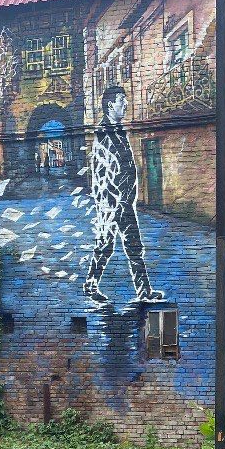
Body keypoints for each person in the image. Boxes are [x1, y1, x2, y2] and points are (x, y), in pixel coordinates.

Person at [84, 85, 164, 305]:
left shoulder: (119, 131)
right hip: (111, 203)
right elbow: (103, 173)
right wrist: (112, 203)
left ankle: (144, 291)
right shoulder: (104, 134)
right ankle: (91, 283)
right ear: (110, 105)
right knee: (105, 246)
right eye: (121, 100)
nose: (125, 104)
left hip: (124, 202)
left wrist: (127, 198)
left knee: (134, 246)